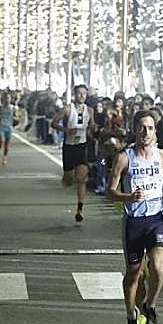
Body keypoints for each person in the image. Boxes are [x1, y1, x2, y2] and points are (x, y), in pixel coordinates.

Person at [107, 110, 163, 324]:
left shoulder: (162, 156)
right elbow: (110, 192)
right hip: (134, 221)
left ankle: (150, 305)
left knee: (158, 267)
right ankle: (130, 315)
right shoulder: (125, 157)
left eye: (151, 128)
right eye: (142, 128)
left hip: (156, 219)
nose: (146, 132)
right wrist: (127, 197)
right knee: (134, 272)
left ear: (156, 131)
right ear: (135, 129)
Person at [52, 85, 95, 222]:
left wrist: (93, 128)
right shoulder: (67, 109)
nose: (82, 96)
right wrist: (66, 130)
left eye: (84, 93)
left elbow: (91, 126)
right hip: (69, 147)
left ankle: (80, 209)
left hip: (82, 146)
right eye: (79, 93)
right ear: (74, 95)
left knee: (82, 178)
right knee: (69, 181)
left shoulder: (90, 110)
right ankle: (66, 178)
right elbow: (53, 123)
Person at [0, 93, 16, 166]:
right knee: (1, 139)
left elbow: (15, 116)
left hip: (9, 127)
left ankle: (4, 157)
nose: (7, 100)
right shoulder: (0, 107)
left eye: (8, 98)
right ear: (3, 100)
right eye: (5, 98)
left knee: (7, 144)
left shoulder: (13, 108)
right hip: (1, 126)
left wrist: (15, 120)